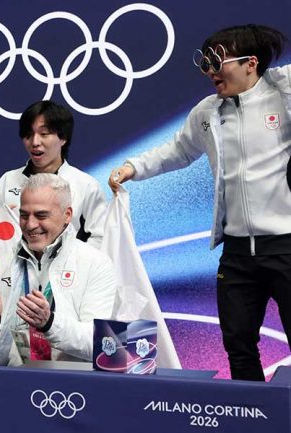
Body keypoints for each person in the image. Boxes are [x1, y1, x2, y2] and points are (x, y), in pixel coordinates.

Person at [108, 25, 290, 381]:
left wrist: (279, 79)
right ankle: (250, 410)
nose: (209, 71)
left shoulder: (281, 96)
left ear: (251, 63)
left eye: (218, 61)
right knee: (238, 345)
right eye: (205, 63)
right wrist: (133, 167)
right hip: (237, 254)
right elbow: (177, 149)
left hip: (286, 244)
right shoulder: (208, 112)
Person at [0, 173, 118, 365]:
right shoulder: (3, 264)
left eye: (41, 215)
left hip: (66, 383)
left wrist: (49, 323)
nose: (30, 225)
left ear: (67, 215)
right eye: (24, 215)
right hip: (8, 379)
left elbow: (100, 344)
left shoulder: (95, 263)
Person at [0, 100, 107, 248]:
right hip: (15, 262)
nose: (35, 142)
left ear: (63, 138)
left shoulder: (86, 185)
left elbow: (100, 239)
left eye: (44, 134)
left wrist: (70, 261)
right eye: (28, 134)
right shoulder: (8, 180)